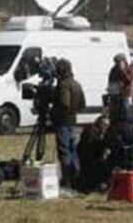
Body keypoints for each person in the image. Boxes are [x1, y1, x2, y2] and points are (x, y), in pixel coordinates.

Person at [51, 58, 84, 190]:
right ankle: (76, 175)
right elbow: (82, 104)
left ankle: (67, 178)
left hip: (62, 120)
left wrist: (55, 107)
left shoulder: (64, 84)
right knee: (72, 149)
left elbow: (65, 103)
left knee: (64, 150)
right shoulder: (76, 83)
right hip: (72, 120)